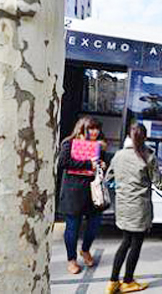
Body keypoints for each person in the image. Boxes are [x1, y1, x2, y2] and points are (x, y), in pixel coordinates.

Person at [104, 123, 162, 293]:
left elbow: (109, 178)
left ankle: (112, 282)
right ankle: (128, 281)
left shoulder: (118, 155)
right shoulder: (148, 156)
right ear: (144, 137)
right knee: (135, 245)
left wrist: (124, 188)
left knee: (124, 243)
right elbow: (161, 184)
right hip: (139, 209)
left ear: (129, 137)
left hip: (122, 208)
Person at [58, 116, 107, 274]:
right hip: (73, 192)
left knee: (94, 225)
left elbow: (101, 165)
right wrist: (88, 164)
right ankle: (71, 259)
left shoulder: (99, 146)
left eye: (97, 129)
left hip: (93, 192)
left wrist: (102, 165)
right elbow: (63, 163)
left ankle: (85, 250)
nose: (95, 132)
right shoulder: (69, 143)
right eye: (91, 128)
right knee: (72, 227)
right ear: (82, 128)